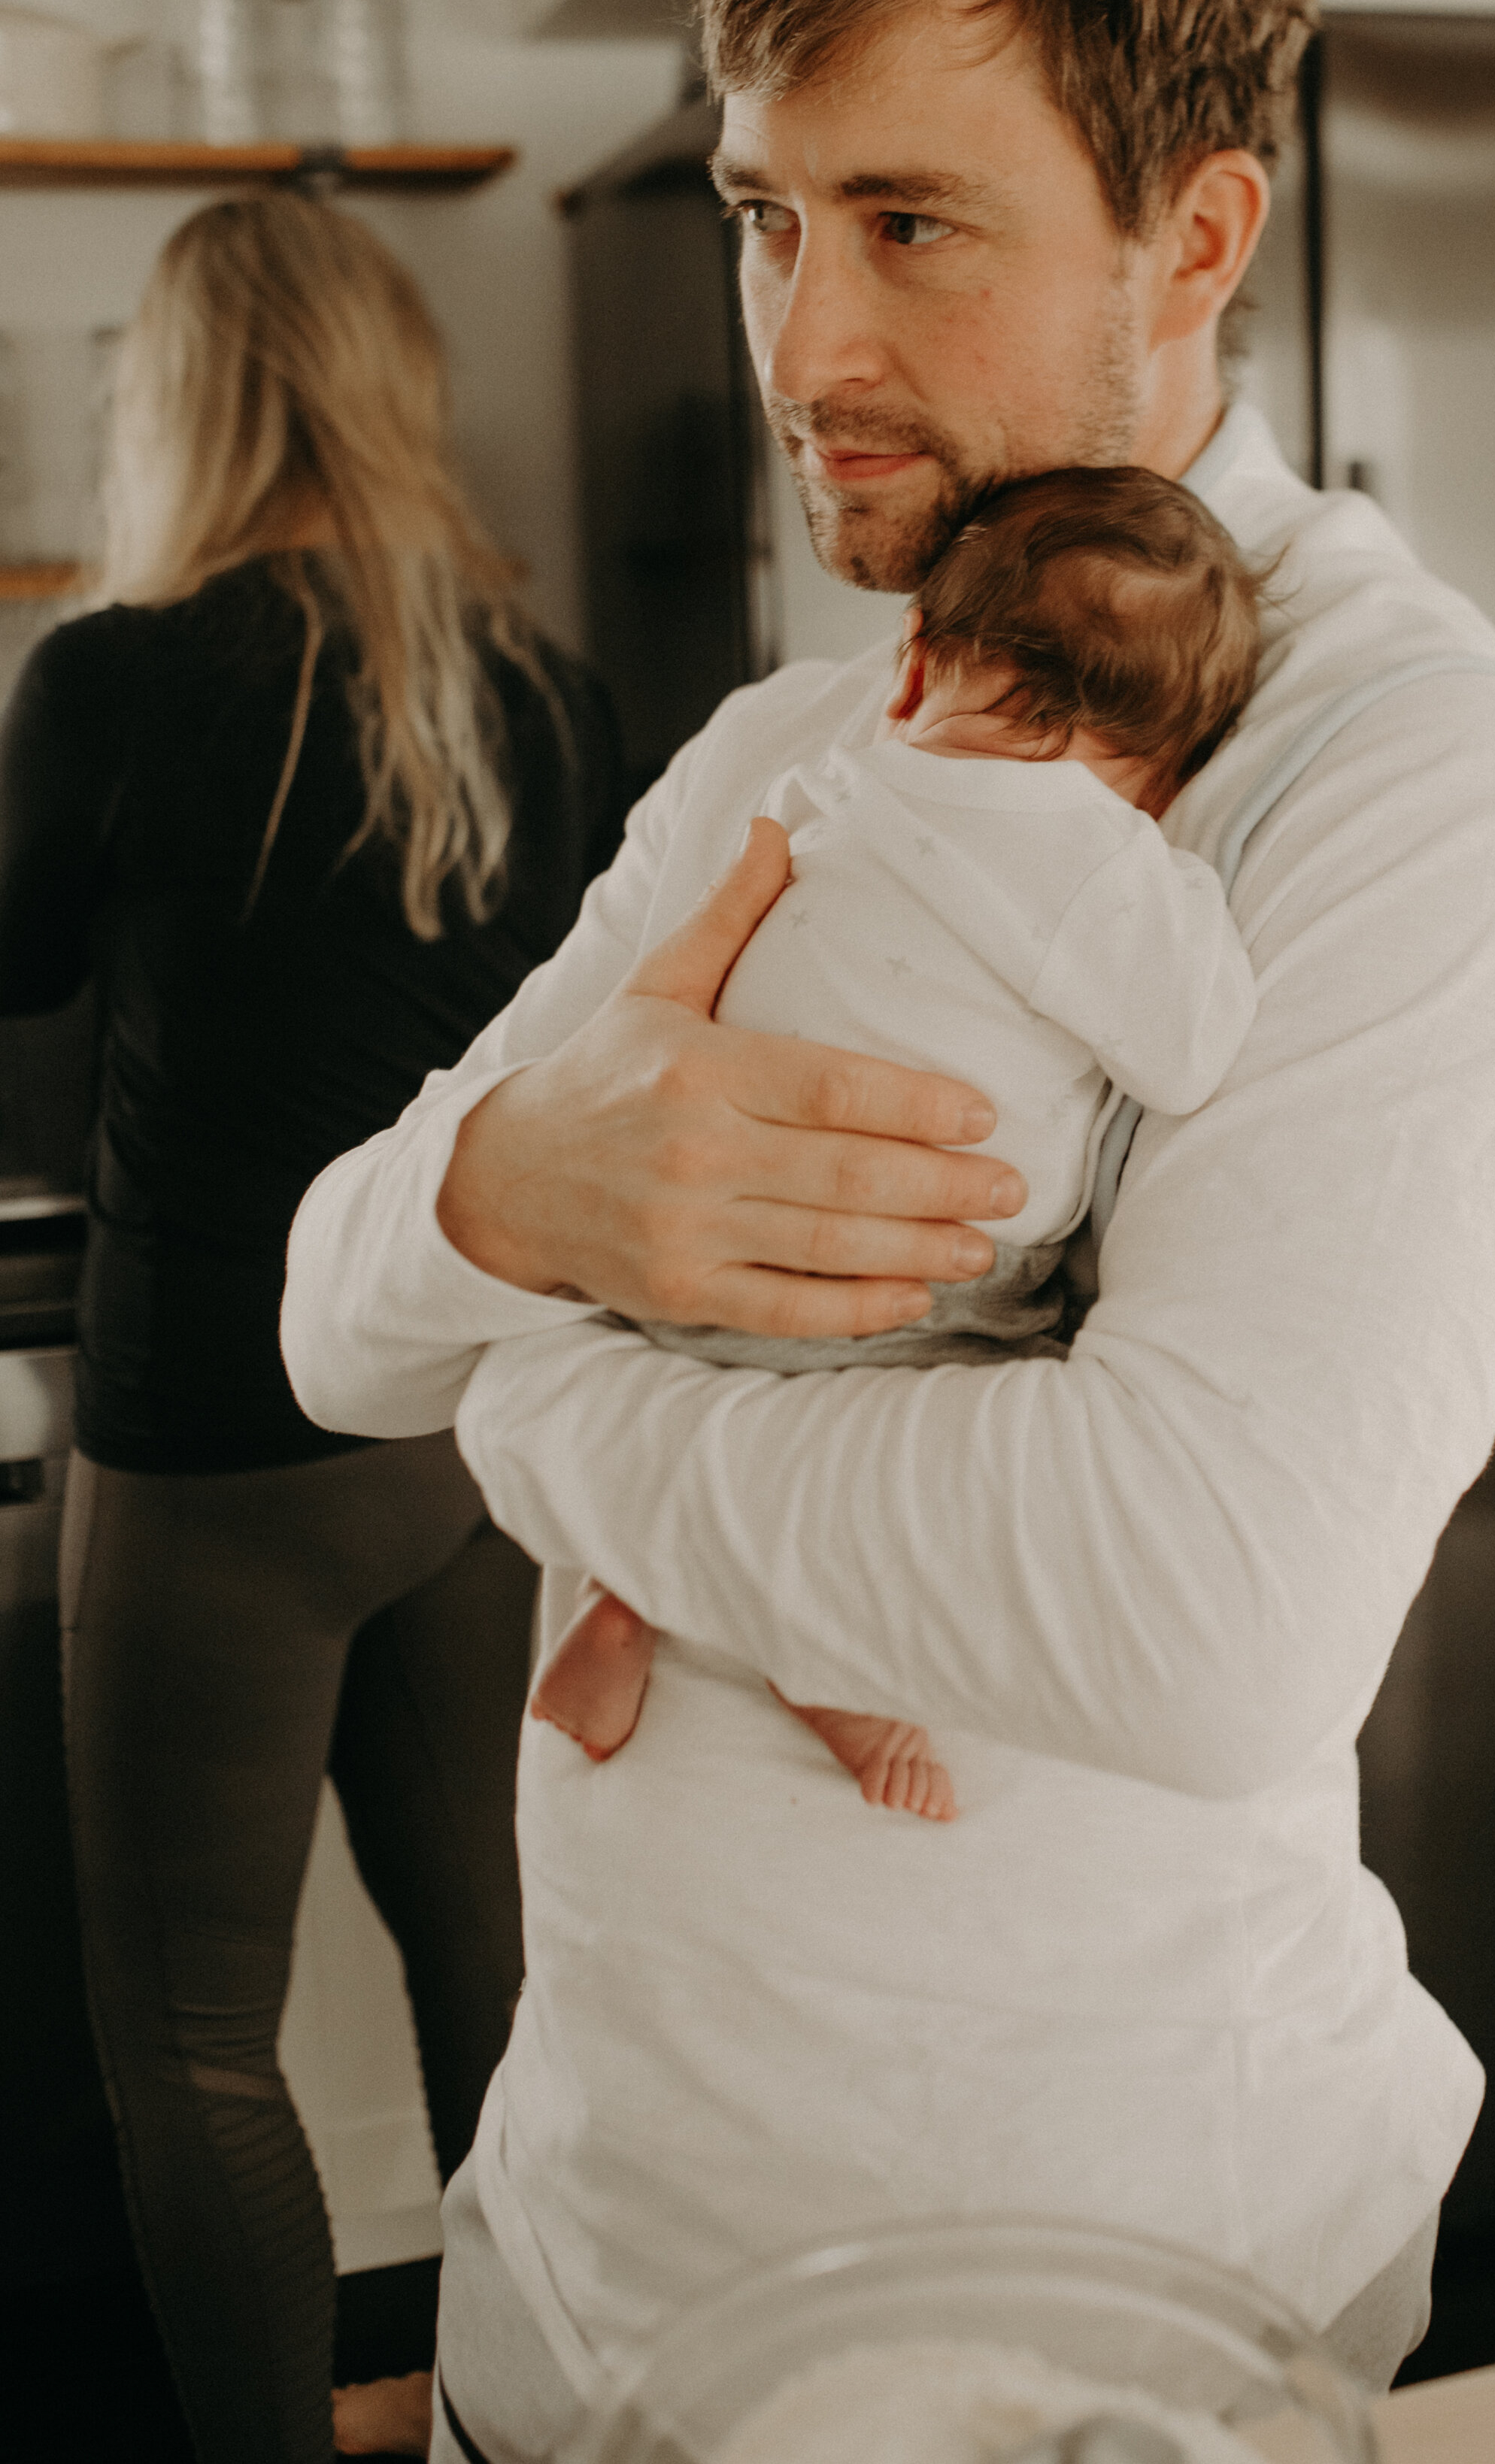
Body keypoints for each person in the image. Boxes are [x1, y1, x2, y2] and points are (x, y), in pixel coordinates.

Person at [280, 0, 1495, 2458]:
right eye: (769, 216)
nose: (802, 345)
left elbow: (1193, 1618)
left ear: (1199, 231)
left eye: (909, 224)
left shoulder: (1398, 779)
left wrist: (554, 1388)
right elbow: (332, 1310)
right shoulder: (810, 734)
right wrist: (504, 1189)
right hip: (579, 2281)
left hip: (1077, 2332)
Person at [0, 194, 626, 2464]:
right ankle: (530, 2433)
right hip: (469, 1434)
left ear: (177, 398)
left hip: (222, 1439)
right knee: (503, 1973)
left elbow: (15, 971)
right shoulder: (536, 692)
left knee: (186, 2036)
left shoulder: (116, 677)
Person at [527, 464, 1264, 1817]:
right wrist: (1190, 886)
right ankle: (829, 1662)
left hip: (696, 1250)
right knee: (920, 1449)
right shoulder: (1108, 868)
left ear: (916, 665)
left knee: (712, 1409)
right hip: (916, 1279)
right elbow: (1196, 1045)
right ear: (1169, 766)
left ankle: (623, 1592)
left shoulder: (837, 779)